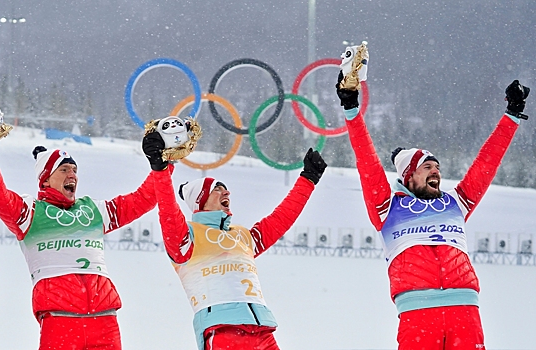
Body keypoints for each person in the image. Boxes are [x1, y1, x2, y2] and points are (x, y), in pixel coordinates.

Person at [336, 76, 529, 349]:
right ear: (409, 176)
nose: (436, 171)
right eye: (427, 167)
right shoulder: (387, 208)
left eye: (437, 167)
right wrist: (351, 109)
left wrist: (511, 115)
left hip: (465, 309)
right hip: (417, 312)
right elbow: (367, 162)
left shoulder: (455, 203)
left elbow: (486, 164)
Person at [0, 104, 163, 350]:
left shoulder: (92, 209)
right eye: (64, 169)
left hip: (105, 320)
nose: (73, 175)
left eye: (74, 170)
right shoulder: (30, 213)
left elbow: (143, 199)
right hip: (60, 321)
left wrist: (161, 165)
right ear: (46, 179)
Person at [142, 131, 327, 350]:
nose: (225, 191)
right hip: (222, 331)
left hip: (262, 331)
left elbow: (281, 219)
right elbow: (168, 210)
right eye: (216, 189)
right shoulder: (186, 238)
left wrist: (308, 179)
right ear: (200, 201)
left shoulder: (242, 236)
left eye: (224, 188)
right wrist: (160, 169)